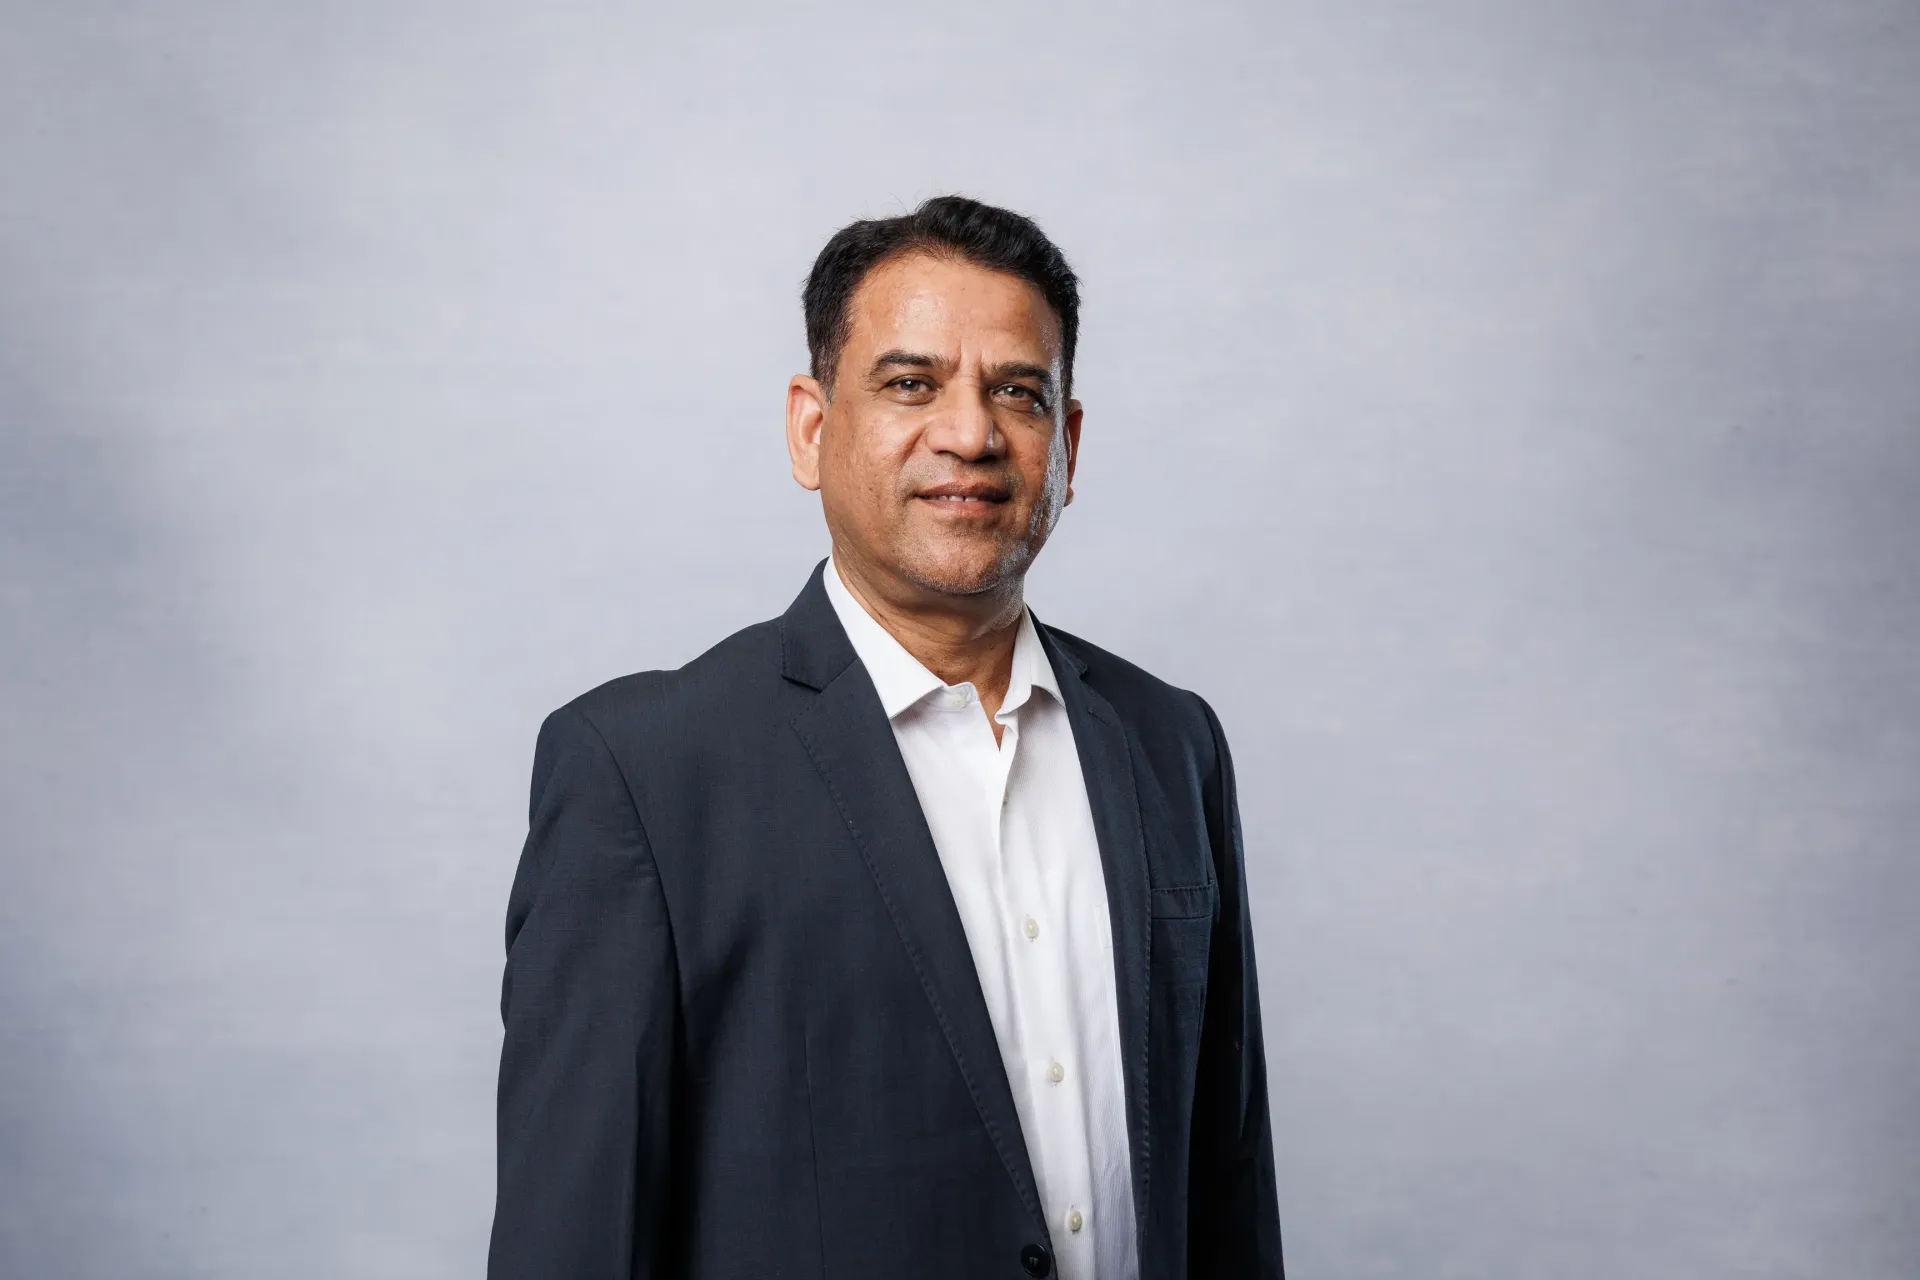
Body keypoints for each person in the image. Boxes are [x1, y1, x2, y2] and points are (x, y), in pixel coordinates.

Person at [487, 194, 1284, 1279]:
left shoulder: (1171, 744)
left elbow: (1230, 1202)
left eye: (1017, 392)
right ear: (811, 429)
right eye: (912, 383)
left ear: (1067, 444)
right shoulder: (646, 776)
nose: (971, 434)